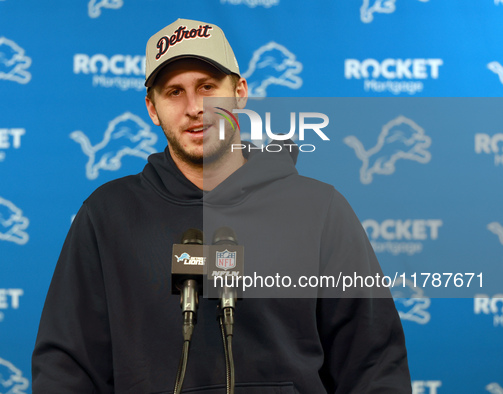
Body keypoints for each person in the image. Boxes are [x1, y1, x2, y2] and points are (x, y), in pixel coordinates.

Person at [32, 18, 411, 393]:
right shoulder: (107, 215)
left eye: (207, 87)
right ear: (152, 108)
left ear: (240, 92)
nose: (196, 107)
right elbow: (66, 368)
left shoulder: (318, 208)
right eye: (174, 92)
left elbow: (374, 364)